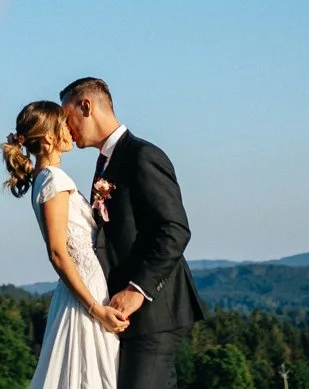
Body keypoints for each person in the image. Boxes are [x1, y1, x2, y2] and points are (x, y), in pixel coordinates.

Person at [59, 78, 204, 389]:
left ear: (86, 106)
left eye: (66, 116)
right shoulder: (106, 164)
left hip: (154, 310)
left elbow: (174, 229)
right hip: (123, 315)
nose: (65, 127)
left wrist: (137, 290)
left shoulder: (142, 155)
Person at [3, 100, 124, 389]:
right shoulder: (53, 180)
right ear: (48, 139)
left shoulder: (44, 178)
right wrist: (96, 308)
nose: (70, 130)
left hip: (85, 289)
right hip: (86, 294)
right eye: (63, 126)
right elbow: (57, 253)